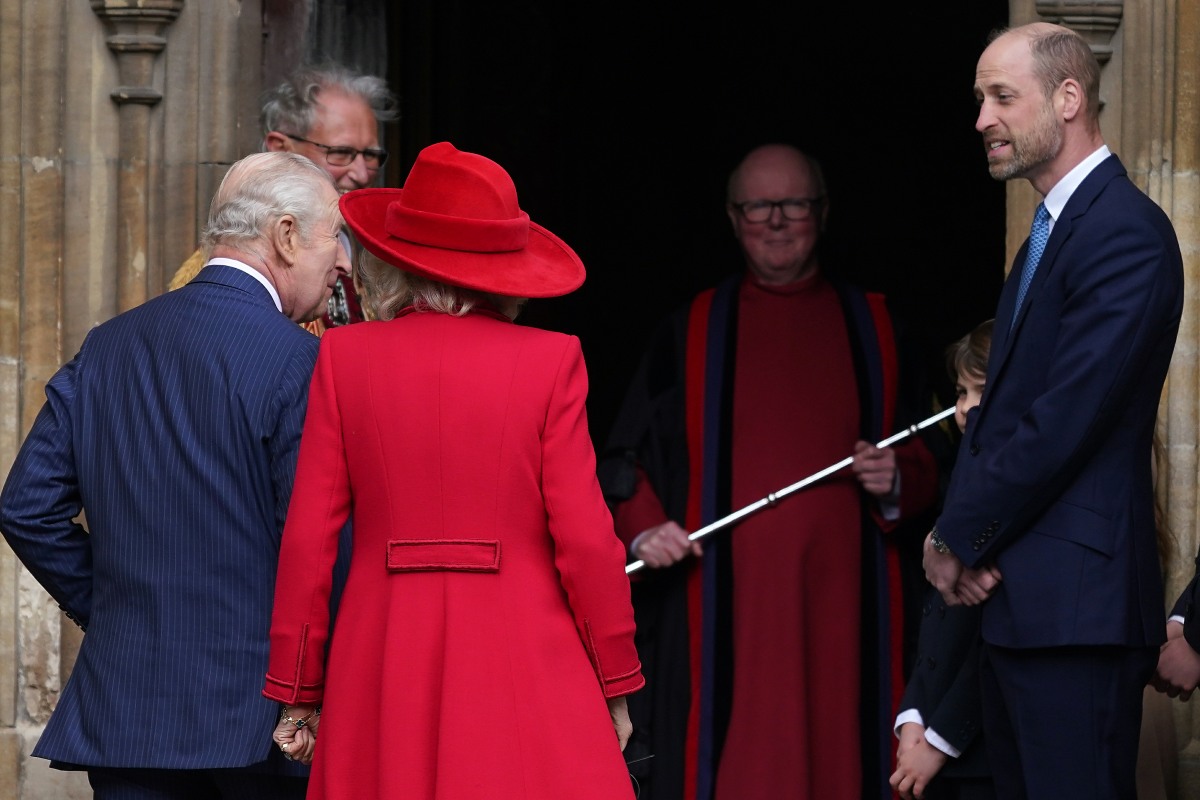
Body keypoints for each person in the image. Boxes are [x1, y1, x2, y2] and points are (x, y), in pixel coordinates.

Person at [261, 141, 645, 799]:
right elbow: (586, 540)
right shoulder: (551, 361)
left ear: (397, 262)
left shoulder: (345, 358)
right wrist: (614, 680)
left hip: (382, 653)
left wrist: (298, 691)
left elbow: (309, 540)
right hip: (524, 649)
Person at [0, 151, 350, 798]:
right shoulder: (302, 363)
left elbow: (27, 507)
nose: (344, 262)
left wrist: (112, 608)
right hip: (258, 714)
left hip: (128, 704)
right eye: (336, 235)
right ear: (285, 235)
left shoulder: (108, 345)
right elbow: (317, 543)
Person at [597, 142, 941, 800]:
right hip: (720, 606)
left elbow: (945, 452)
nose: (776, 221)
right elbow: (624, 458)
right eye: (758, 207)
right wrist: (646, 530)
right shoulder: (690, 331)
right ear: (733, 219)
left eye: (794, 204)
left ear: (823, 213)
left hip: (849, 606)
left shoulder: (880, 328)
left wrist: (898, 478)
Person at [923, 22, 1184, 800]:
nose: (982, 119)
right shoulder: (1053, 232)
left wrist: (957, 535)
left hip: (1078, 614)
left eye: (1002, 97)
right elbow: (1005, 417)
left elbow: (1062, 421)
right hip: (1027, 609)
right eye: (979, 100)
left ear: (1069, 98)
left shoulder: (1124, 233)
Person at [169, 61, 398, 332]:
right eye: (341, 153)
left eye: (370, 155)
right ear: (280, 148)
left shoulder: (369, 255)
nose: (361, 174)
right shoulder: (224, 265)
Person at [892, 319, 997, 800]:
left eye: (980, 391)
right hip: (934, 739)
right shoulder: (963, 481)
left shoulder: (1005, 501)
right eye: (960, 392)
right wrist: (913, 715)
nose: (963, 408)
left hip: (981, 749)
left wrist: (940, 741)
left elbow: (996, 637)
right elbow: (938, 616)